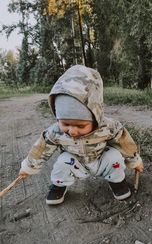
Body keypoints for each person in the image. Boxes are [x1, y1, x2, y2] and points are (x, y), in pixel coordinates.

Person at [19, 65, 143, 205]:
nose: (72, 131)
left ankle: (117, 182)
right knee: (62, 161)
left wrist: (134, 161)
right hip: (76, 163)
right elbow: (40, 149)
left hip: (101, 160)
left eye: (80, 126)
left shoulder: (109, 127)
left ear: (95, 117)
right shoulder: (55, 132)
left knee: (114, 156)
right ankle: (59, 185)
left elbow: (124, 142)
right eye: (65, 124)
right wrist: (29, 167)